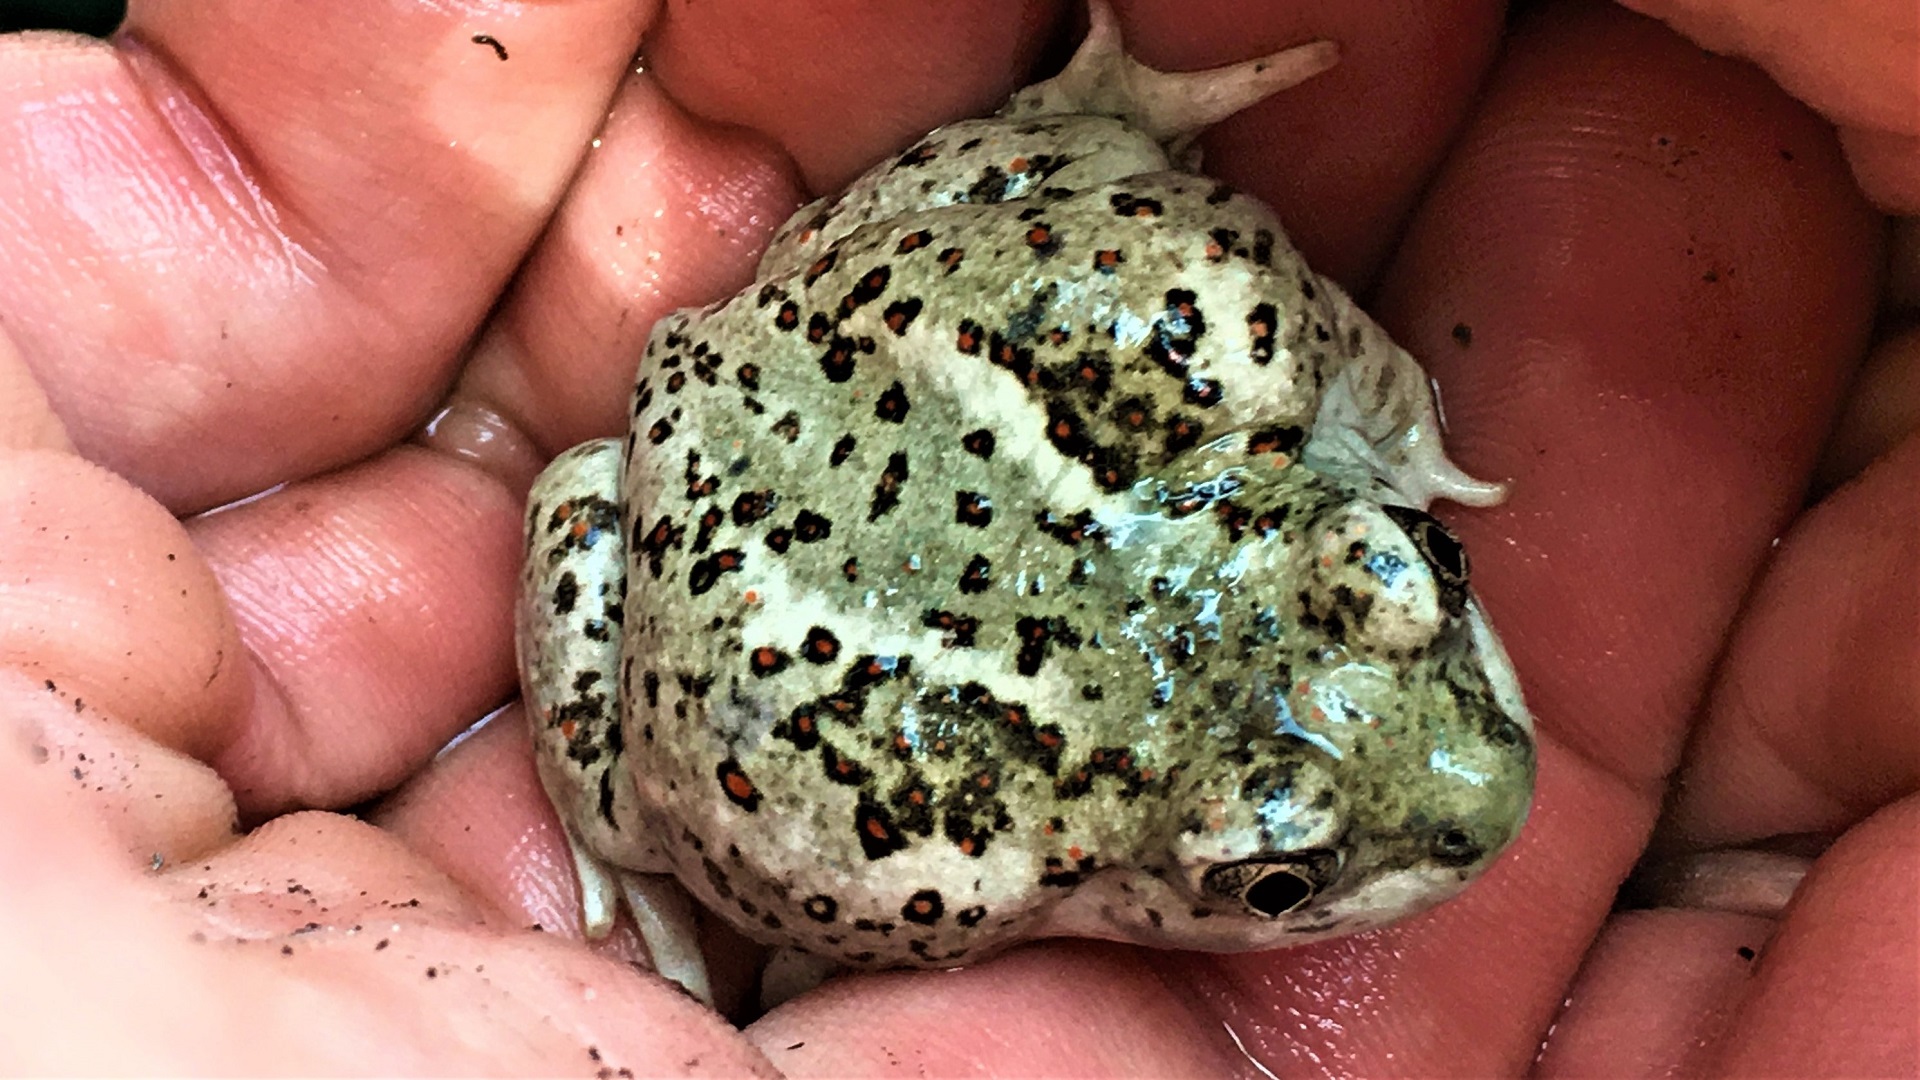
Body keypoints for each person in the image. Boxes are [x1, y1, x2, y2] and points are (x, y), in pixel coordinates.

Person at [1, 0, 1913, 1074]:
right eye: (1275, 875)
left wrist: (1351, 404)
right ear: (1141, 878)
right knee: (690, 775)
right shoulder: (960, 863)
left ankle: (1079, 123)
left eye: (1402, 593)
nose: (1477, 769)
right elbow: (818, 879)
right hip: (725, 500)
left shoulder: (1268, 476)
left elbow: (1258, 320)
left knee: (1203, 321)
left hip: (910, 371)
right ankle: (1079, 129)